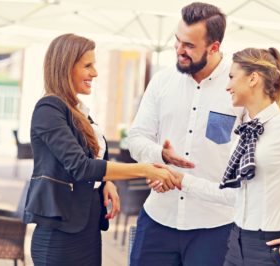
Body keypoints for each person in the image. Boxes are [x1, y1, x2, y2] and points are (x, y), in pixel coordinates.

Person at [153, 47, 280, 265]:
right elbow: (233, 196)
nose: (227, 86)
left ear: (253, 79)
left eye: (231, 77)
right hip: (236, 244)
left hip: (273, 248)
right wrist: (181, 180)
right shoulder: (241, 132)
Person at [23, 33, 176, 266]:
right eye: (87, 65)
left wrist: (106, 182)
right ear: (66, 67)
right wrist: (145, 170)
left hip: (87, 230)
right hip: (59, 236)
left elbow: (89, 161)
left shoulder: (78, 110)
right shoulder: (49, 109)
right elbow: (81, 167)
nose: (94, 72)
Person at [127, 2, 244, 266]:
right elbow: (135, 138)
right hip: (158, 217)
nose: (179, 50)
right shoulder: (161, 81)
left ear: (214, 47)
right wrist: (160, 156)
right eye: (177, 40)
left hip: (215, 225)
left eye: (189, 45)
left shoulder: (238, 87)